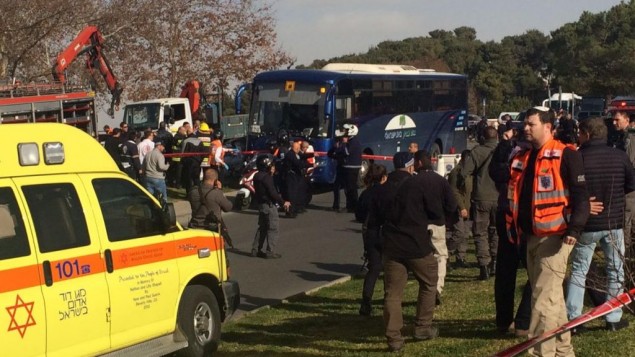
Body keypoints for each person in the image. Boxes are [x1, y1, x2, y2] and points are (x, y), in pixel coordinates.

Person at [506, 106, 589, 356]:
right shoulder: (522, 156)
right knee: (551, 299)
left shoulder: (566, 154)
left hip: (556, 237)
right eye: (525, 124)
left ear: (548, 127)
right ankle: (563, 351)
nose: (525, 128)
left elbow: (581, 197)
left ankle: (540, 352)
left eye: (531, 124)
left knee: (541, 300)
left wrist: (574, 229)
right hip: (530, 236)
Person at [565, 117, 634, 332]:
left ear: (586, 134)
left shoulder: (578, 158)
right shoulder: (620, 156)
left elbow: (568, 187)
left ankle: (574, 318)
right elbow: (630, 184)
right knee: (615, 269)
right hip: (613, 221)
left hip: (587, 222)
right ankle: (613, 316)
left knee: (579, 270)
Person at [382, 149, 441, 352]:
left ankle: (394, 338)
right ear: (410, 166)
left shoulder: (383, 186)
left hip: (392, 245)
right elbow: (433, 210)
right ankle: (423, 326)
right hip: (416, 244)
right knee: (428, 283)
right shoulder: (417, 185)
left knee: (392, 293)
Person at [490, 126, 531, 337]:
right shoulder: (531, 157)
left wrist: (504, 144)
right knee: (536, 270)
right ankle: (522, 321)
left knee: (506, 271)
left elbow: (496, 171)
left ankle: (504, 320)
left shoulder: (511, 154)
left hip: (507, 214)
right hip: (522, 218)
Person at [413, 149, 457, 305]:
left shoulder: (414, 182)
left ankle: (425, 288)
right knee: (440, 255)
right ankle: (437, 288)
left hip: (418, 224)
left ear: (418, 163)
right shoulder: (440, 181)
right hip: (438, 222)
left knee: (420, 257)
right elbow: (451, 204)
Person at [461, 125, 499, 280]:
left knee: (480, 232)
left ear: (483, 138)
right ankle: (495, 261)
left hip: (481, 196)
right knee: (496, 230)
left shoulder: (476, 152)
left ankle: (484, 265)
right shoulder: (504, 150)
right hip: (499, 196)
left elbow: (464, 172)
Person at [356, 163, 388, 316]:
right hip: (385, 231)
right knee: (390, 267)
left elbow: (359, 215)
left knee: (374, 268)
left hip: (370, 232)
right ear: (383, 177)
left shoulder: (366, 193)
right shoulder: (387, 192)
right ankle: (389, 299)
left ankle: (366, 302)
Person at [251, 154, 291, 259]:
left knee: (262, 228)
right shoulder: (266, 177)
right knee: (272, 228)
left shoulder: (257, 176)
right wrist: (283, 203)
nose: (273, 167)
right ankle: (270, 252)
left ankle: (255, 249)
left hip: (261, 205)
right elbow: (273, 193)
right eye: (272, 165)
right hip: (269, 206)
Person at [188, 168, 235, 249]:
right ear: (216, 180)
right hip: (211, 229)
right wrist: (220, 190)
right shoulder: (216, 193)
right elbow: (228, 207)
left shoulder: (192, 192)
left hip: (195, 227)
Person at [612, 110, 635, 258]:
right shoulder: (621, 136)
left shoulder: (630, 137)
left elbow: (629, 163)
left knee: (626, 221)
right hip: (626, 185)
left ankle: (625, 257)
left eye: (617, 120)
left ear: (626, 120)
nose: (614, 122)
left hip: (629, 187)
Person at [447, 149, 472, 268]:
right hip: (458, 207)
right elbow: (454, 191)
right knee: (459, 233)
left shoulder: (470, 172)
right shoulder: (456, 172)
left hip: (468, 205)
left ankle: (460, 257)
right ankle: (446, 253)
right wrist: (461, 207)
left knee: (465, 233)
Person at [330, 124, 362, 212]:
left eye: (347, 130)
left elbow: (347, 152)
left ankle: (352, 206)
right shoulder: (351, 141)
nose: (345, 133)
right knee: (349, 187)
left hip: (352, 167)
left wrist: (343, 143)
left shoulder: (353, 141)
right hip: (348, 167)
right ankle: (351, 206)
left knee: (351, 188)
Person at [143, 139, 170, 205]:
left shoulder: (148, 154)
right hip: (158, 177)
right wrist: (167, 165)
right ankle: (164, 209)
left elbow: (143, 165)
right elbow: (161, 167)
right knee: (163, 197)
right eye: (163, 146)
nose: (164, 148)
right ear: (159, 146)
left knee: (150, 197)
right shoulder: (160, 155)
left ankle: (151, 208)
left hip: (148, 177)